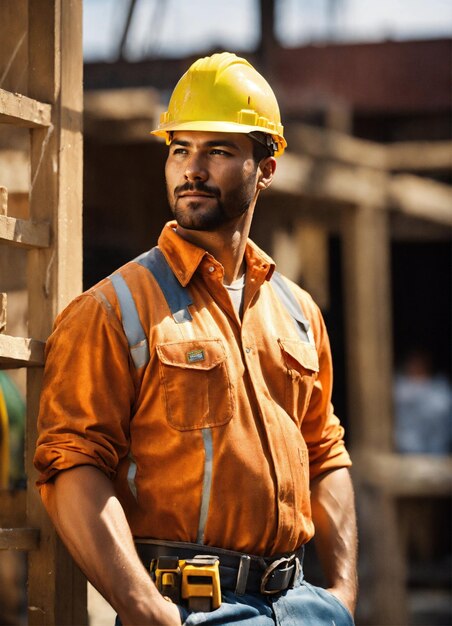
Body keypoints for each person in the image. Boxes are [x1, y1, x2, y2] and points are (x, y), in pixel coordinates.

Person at [34, 52, 357, 626]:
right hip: (190, 609)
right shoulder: (113, 309)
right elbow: (70, 464)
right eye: (180, 149)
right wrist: (144, 608)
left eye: (219, 150)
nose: (193, 169)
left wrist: (342, 596)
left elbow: (325, 453)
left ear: (267, 166)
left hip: (306, 607)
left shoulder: (298, 312)